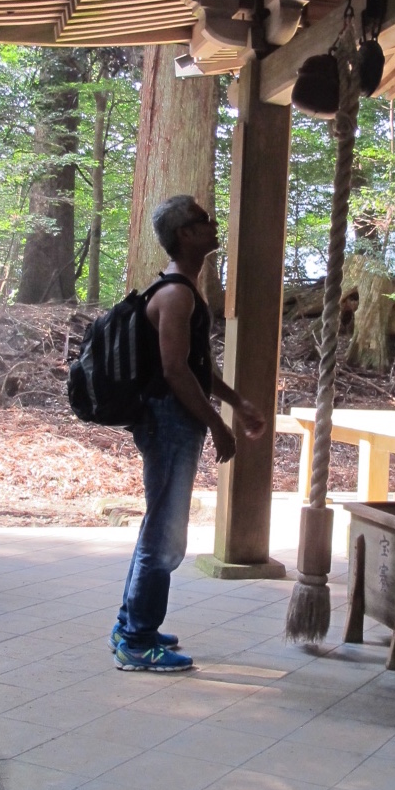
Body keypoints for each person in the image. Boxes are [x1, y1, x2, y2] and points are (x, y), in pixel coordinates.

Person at [111, 194, 265, 672]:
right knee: (165, 536)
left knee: (158, 526)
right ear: (184, 234)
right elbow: (175, 371)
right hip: (168, 422)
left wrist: (237, 402)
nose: (213, 224)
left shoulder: (183, 290)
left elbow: (195, 367)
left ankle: (131, 624)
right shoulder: (176, 295)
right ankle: (137, 642)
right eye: (203, 220)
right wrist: (218, 425)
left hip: (173, 421)